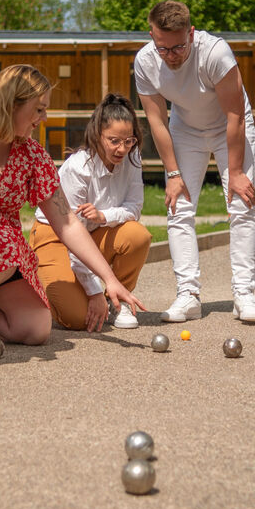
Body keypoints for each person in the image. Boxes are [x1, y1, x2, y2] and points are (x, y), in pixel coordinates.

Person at [0, 68, 146, 344]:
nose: (44, 118)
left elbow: (66, 222)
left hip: (1, 256)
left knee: (36, 328)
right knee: (6, 242)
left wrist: (109, 279)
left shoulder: (32, 154)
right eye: (39, 109)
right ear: (12, 103)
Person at [135, 0, 255, 323]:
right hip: (184, 127)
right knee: (177, 206)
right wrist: (173, 173)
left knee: (241, 202)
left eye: (178, 46)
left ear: (191, 33)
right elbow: (157, 122)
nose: (171, 55)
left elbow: (234, 115)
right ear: (152, 35)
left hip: (228, 126)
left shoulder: (215, 53)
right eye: (162, 47)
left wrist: (235, 173)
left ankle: (244, 293)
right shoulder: (145, 61)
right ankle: (188, 295)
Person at [30, 93, 152, 332]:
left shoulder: (132, 157)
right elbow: (72, 231)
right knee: (78, 319)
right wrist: (94, 291)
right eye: (114, 140)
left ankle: (118, 300)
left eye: (128, 141)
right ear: (98, 135)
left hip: (94, 231)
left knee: (138, 236)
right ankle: (40, 285)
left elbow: (134, 208)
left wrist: (104, 216)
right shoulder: (78, 167)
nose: (122, 149)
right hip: (56, 235)